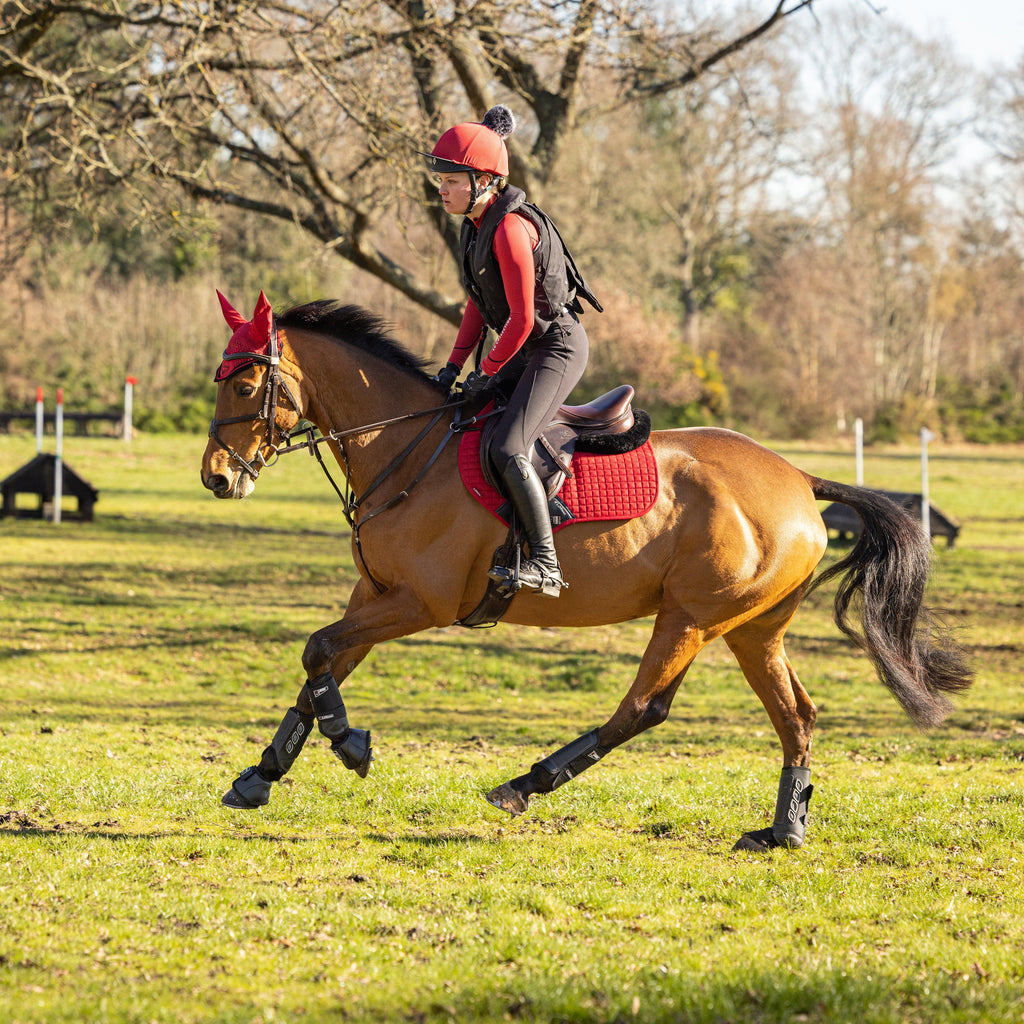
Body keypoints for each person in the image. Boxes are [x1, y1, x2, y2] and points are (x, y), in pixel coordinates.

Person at [423, 105, 601, 598]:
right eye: (439, 177)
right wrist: (452, 367)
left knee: (507, 446)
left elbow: (523, 319)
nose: (441, 188)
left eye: (451, 179)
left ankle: (545, 561)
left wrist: (489, 368)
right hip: (522, 348)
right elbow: (479, 307)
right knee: (464, 417)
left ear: (484, 181)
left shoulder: (510, 228)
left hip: (554, 348)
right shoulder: (476, 225)